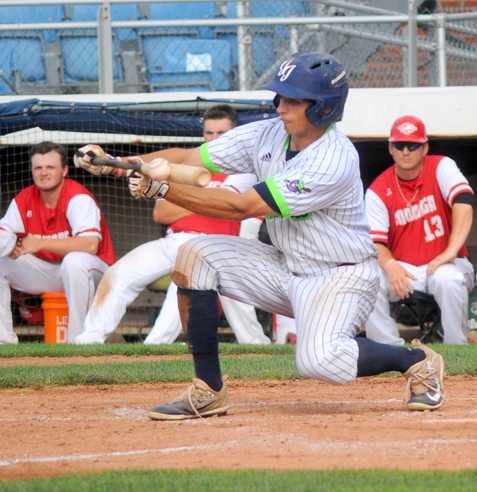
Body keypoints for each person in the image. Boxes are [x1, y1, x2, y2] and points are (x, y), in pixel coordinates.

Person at [75, 52, 445, 420]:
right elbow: (190, 158)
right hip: (284, 266)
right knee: (194, 255)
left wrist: (163, 190)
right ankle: (208, 390)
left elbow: (241, 207)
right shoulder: (269, 133)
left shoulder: (332, 159)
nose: (281, 106)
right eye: (280, 96)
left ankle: (416, 360)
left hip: (340, 277)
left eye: (294, 100)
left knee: (320, 361)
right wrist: (118, 164)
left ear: (324, 107)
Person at [74, 105, 270, 345]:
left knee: (182, 286)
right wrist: (115, 163)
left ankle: (155, 347)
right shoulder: (190, 165)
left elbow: (230, 207)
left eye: (221, 133)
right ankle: (88, 342)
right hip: (173, 240)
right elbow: (162, 212)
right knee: (119, 273)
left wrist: (184, 196)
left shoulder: (246, 171)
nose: (214, 139)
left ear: (234, 134)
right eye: (209, 133)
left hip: (213, 245)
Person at [364, 115, 474, 345]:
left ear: (424, 148)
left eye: (412, 145)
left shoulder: (441, 166)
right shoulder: (378, 190)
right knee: (367, 279)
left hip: (445, 264)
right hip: (404, 270)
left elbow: (464, 201)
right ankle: (387, 348)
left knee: (448, 279)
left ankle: (456, 346)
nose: (406, 151)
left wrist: (450, 251)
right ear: (390, 148)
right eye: (399, 145)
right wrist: (391, 265)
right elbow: (375, 242)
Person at [0, 141, 115, 344]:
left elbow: (90, 245)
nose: (44, 173)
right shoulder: (24, 198)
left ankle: (79, 344)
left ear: (65, 170)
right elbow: (3, 233)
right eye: (38, 168)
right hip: (52, 272)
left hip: (97, 273)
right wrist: (10, 246)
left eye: (50, 167)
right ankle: (4, 342)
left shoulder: (77, 197)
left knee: (75, 261)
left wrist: (39, 243)